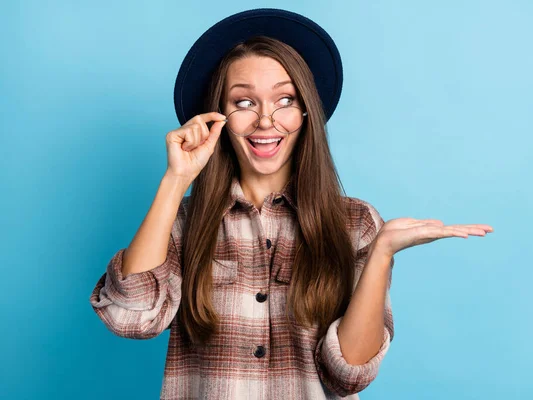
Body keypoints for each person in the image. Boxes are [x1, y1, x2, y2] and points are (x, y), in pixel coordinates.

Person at [89, 8, 493, 400]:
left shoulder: (355, 222)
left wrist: (382, 254)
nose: (266, 120)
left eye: (284, 100)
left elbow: (350, 373)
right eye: (244, 103)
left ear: (305, 111)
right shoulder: (182, 222)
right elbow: (131, 318)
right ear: (220, 116)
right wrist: (176, 179)